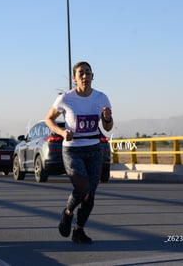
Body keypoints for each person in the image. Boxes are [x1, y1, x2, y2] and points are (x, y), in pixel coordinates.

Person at [44, 61, 113, 244]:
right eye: (81, 73)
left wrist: (107, 118)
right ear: (74, 78)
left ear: (93, 76)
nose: (85, 76)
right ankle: (67, 213)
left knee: (90, 195)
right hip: (73, 150)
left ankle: (79, 230)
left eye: (88, 73)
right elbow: (48, 118)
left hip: (94, 149)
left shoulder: (101, 98)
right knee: (82, 187)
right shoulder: (65, 98)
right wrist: (61, 132)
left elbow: (107, 127)